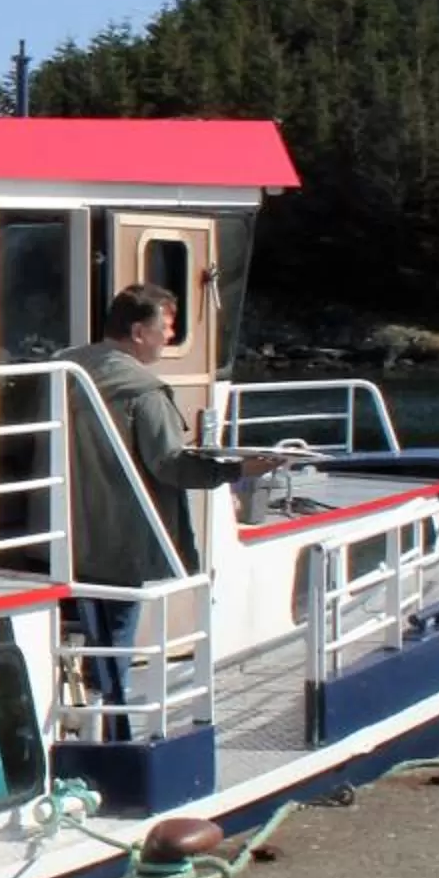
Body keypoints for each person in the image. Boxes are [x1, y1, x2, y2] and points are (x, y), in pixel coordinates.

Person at [57, 284, 286, 727]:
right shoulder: (144, 389)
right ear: (138, 332)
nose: (169, 337)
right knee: (115, 639)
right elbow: (170, 465)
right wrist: (239, 469)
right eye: (166, 327)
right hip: (120, 541)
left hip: (67, 534)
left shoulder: (67, 367)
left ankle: (84, 719)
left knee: (89, 631)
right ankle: (112, 730)